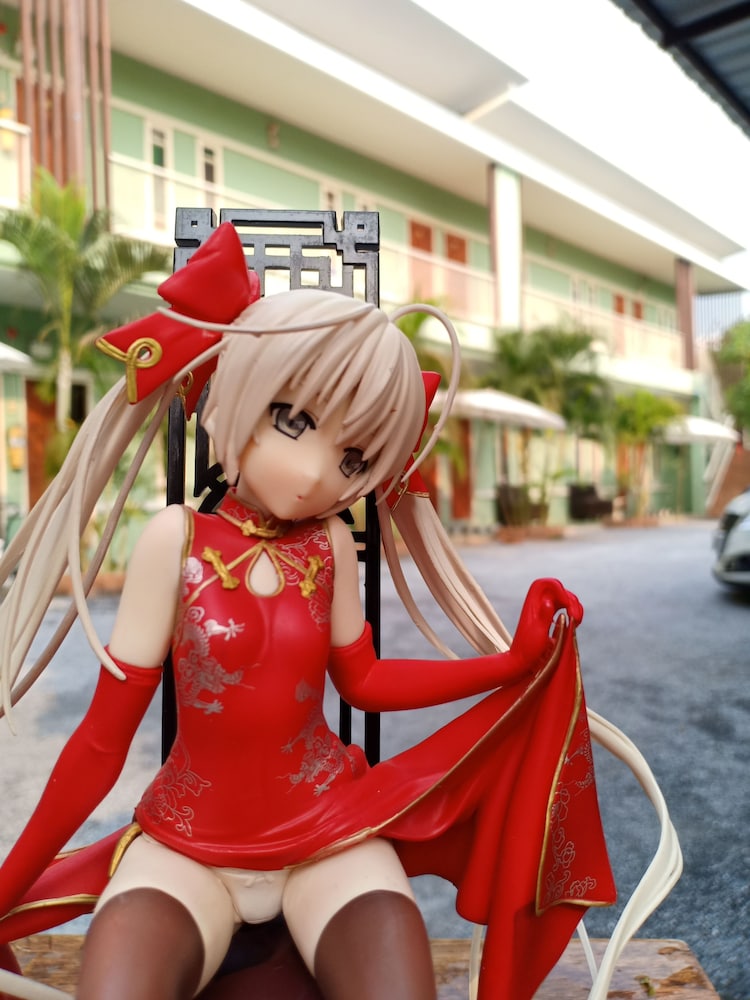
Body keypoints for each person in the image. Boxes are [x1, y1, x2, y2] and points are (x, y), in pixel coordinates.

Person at [0, 223, 614, 1000]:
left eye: (355, 460)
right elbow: (99, 742)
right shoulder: (175, 540)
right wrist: (7, 889)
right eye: (293, 420)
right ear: (238, 390)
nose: (317, 474)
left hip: (329, 834)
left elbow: (365, 680)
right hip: (187, 845)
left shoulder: (331, 546)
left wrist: (511, 664)